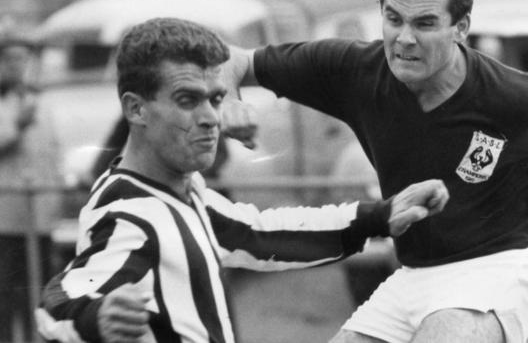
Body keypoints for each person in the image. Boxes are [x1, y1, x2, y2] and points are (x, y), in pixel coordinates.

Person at [219, 0, 528, 341]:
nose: (404, 39)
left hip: (496, 268)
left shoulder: (515, 98)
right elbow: (232, 60)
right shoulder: (355, 70)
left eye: (424, 23)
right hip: (411, 272)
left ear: (461, 27)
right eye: (394, 19)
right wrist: (229, 100)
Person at [35, 17, 449, 343]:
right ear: (136, 109)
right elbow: (55, 305)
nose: (211, 118)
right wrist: (94, 318)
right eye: (187, 100)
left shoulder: (182, 191)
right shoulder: (130, 215)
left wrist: (381, 215)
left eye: (215, 99)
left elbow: (257, 232)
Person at [0, 26, 62, 342]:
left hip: (38, 215)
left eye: (22, 59)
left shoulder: (40, 100)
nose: (16, 66)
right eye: (9, 59)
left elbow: (51, 151)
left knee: (38, 286)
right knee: (6, 289)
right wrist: (15, 125)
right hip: (6, 217)